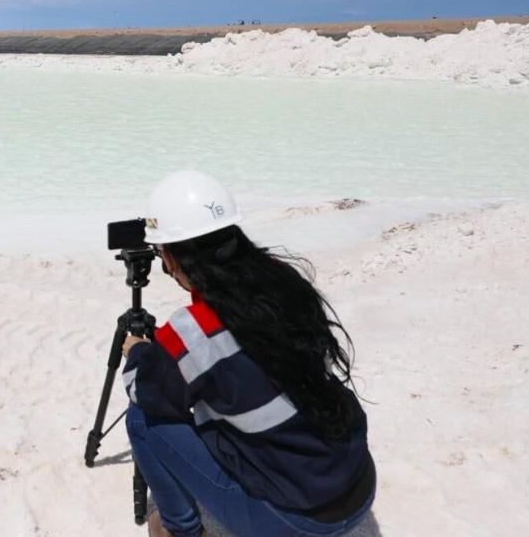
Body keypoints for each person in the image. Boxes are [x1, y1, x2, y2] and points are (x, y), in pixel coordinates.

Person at [122, 171, 375, 537]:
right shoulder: (282, 280)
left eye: (162, 256)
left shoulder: (192, 331)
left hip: (297, 522)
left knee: (142, 418)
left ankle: (181, 530)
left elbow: (144, 390)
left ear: (172, 259)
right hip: (358, 482)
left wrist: (138, 353)